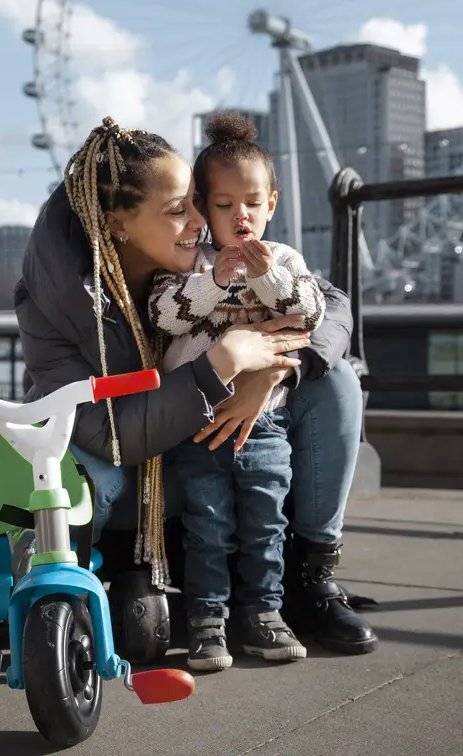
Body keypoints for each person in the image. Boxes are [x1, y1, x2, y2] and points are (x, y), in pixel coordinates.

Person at [14, 116, 377, 656]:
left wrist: (276, 369)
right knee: (90, 482)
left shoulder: (219, 249)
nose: (202, 221)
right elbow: (106, 432)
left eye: (197, 204)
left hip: (227, 432)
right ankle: (108, 570)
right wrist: (224, 363)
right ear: (119, 225)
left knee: (337, 381)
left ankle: (308, 578)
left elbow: (332, 305)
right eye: (179, 210)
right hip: (133, 459)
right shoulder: (62, 294)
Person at [147, 112, 322, 671]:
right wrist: (215, 281)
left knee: (265, 522)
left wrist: (265, 276)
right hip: (196, 423)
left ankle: (264, 614)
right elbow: (165, 316)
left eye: (251, 202)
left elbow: (308, 313)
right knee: (208, 526)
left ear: (272, 203)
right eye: (223, 205)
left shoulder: (286, 260)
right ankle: (206, 622)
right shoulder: (189, 264)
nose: (239, 215)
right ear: (201, 206)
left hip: (266, 423)